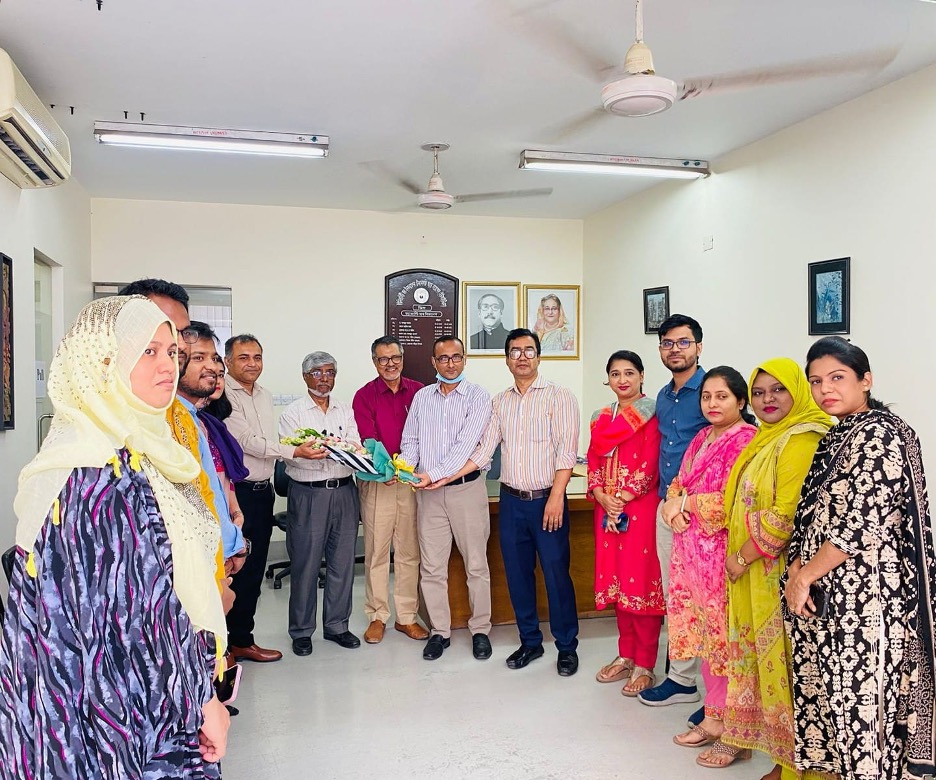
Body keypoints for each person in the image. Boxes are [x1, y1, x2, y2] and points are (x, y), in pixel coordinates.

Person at [0, 296, 230, 777]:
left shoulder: (142, 447)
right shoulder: (94, 473)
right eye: (148, 351)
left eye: (172, 352)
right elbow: (139, 619)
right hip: (117, 714)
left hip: (146, 693)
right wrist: (202, 700)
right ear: (102, 363)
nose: (168, 365)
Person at [783, 337, 936, 780]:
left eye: (837, 377)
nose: (825, 389)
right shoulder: (840, 432)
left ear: (865, 380)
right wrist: (797, 570)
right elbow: (811, 512)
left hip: (869, 601)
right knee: (836, 711)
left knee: (863, 716)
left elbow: (861, 522)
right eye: (816, 381)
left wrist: (803, 576)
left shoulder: (880, 434)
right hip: (829, 595)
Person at [718, 359, 831, 778]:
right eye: (760, 391)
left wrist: (741, 558)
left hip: (782, 572)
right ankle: (785, 760)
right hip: (757, 574)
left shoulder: (801, 438)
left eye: (779, 389)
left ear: (797, 390)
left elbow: (785, 516)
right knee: (770, 666)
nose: (768, 399)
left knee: (787, 667)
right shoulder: (769, 437)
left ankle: (802, 766)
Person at [456, 328, 580, 676]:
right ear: (507, 359)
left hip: (546, 501)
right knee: (517, 575)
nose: (522, 357)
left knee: (556, 575)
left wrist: (557, 497)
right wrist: (443, 476)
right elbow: (483, 452)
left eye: (528, 350)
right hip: (511, 503)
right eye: (515, 351)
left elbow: (566, 452)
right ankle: (530, 641)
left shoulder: (559, 396)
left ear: (539, 356)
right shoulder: (500, 402)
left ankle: (566, 646)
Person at [661, 367, 756, 767]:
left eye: (722, 396)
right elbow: (678, 482)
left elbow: (733, 500)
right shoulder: (702, 436)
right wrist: (672, 508)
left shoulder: (746, 441)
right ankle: (714, 717)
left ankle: (736, 729)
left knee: (727, 642)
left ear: (740, 401)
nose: (712, 404)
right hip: (690, 554)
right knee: (706, 640)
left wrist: (684, 504)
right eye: (707, 397)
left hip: (722, 557)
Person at [223, 334, 320, 663]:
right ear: (228, 361)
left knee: (253, 571)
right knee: (232, 570)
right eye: (244, 357)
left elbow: (268, 440)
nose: (252, 363)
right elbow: (246, 441)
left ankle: (242, 640)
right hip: (237, 495)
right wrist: (294, 451)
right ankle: (222, 648)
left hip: (262, 492)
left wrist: (298, 448)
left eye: (257, 357)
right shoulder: (223, 395)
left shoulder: (263, 394)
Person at [403, 336, 493, 661]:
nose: (450, 364)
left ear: (464, 359)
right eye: (443, 358)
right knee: (431, 567)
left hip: (466, 490)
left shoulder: (479, 397)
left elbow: (465, 447)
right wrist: (407, 468)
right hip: (428, 495)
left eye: (456, 357)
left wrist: (433, 473)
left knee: (476, 565)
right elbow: (410, 439)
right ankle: (439, 632)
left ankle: (480, 629)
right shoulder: (422, 398)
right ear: (434, 362)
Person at [639, 314, 708, 717]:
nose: (675, 349)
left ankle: (720, 695)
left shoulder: (712, 391)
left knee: (709, 600)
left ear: (699, 346)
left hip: (702, 512)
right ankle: (682, 678)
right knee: (676, 596)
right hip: (667, 508)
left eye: (683, 342)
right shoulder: (663, 397)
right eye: (667, 343)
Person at [587, 350, 665, 695]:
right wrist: (601, 495)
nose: (622, 380)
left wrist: (622, 498)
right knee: (618, 582)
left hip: (640, 510)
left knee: (641, 583)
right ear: (608, 379)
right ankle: (626, 655)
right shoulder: (601, 418)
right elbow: (593, 460)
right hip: (606, 510)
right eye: (615, 373)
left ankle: (645, 663)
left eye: (629, 373)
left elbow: (651, 462)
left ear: (642, 376)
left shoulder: (652, 414)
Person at [278, 351, 362, 656]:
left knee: (342, 563)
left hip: (344, 491)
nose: (324, 378)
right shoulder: (293, 413)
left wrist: (339, 449)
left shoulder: (344, 409)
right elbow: (290, 453)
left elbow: (355, 445)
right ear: (305, 377)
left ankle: (337, 625)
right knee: (306, 565)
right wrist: (313, 452)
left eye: (329, 372)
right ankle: (301, 630)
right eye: (317, 373)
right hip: (309, 494)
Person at [351, 336, 427, 645]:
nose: (390, 364)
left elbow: (426, 435)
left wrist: (407, 471)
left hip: (410, 482)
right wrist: (385, 471)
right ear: (375, 362)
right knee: (377, 551)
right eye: (383, 359)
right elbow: (367, 440)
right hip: (378, 482)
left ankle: (406, 616)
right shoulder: (364, 396)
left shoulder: (420, 392)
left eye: (395, 357)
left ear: (402, 359)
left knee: (409, 552)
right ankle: (377, 616)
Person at [167, 321, 246, 572]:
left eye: (213, 358)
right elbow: (193, 500)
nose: (212, 367)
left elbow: (211, 489)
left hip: (216, 547)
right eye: (199, 358)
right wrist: (234, 545)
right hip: (196, 556)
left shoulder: (194, 419)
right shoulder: (171, 421)